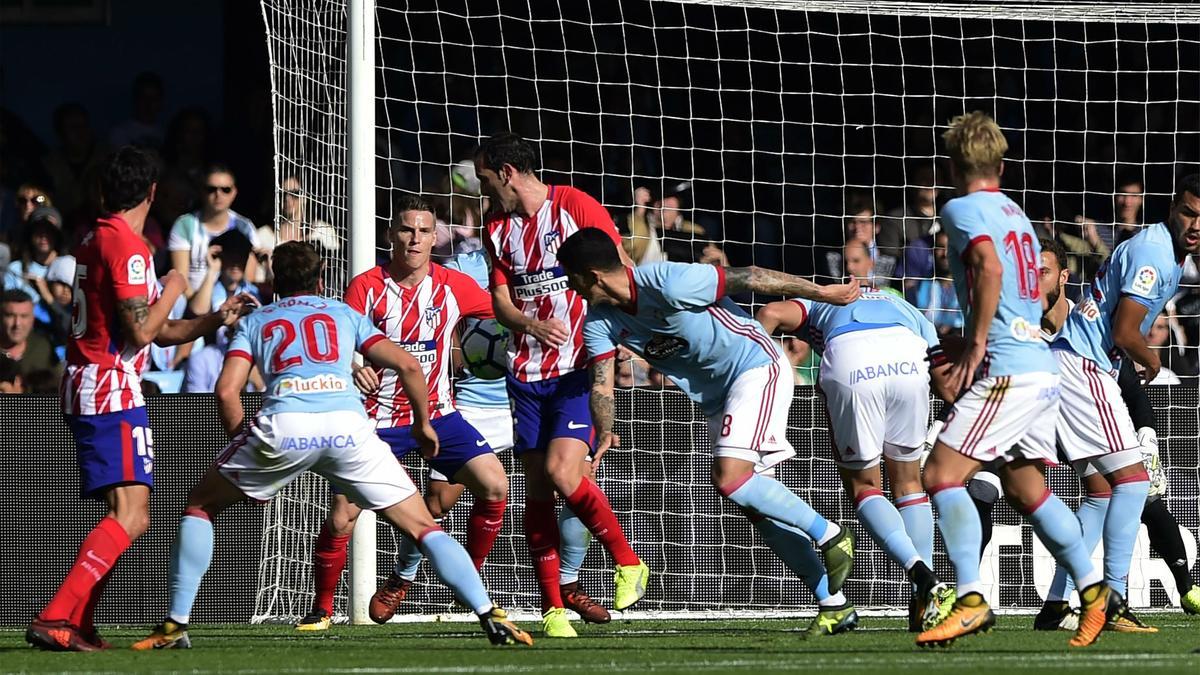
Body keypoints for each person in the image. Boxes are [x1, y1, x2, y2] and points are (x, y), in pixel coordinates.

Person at [131, 241, 532, 649]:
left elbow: (226, 391)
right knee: (424, 527)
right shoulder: (344, 313)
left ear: (274, 280)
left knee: (200, 506)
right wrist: (423, 424)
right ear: (321, 280)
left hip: (284, 426)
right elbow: (409, 365)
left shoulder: (258, 320)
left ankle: (175, 624)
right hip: (349, 428)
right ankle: (489, 614)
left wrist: (249, 451)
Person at [557, 227, 862, 635]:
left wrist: (824, 294)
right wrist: (605, 431)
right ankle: (834, 604)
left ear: (591, 275)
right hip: (718, 397)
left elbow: (750, 276)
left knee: (729, 478)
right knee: (760, 510)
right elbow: (601, 384)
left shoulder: (667, 281)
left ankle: (831, 534)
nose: (572, 290)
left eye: (572, 280)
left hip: (756, 367)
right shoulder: (600, 320)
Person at [25, 146, 255, 652]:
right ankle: (57, 616)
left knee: (131, 512)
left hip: (95, 379)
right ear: (152, 192)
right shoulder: (126, 246)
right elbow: (145, 327)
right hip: (108, 383)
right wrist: (175, 283)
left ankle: (77, 622)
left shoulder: (94, 238)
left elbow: (160, 331)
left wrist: (217, 318)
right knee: (133, 513)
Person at [915, 111, 1112, 649]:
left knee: (939, 475)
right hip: (1041, 366)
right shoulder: (1016, 214)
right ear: (1001, 163)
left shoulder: (959, 207)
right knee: (1026, 487)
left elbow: (990, 268)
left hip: (1007, 370)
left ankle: (972, 597)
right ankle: (1094, 591)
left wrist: (975, 346)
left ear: (954, 166)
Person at [294, 196, 514, 631]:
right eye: (406, 230)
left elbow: (509, 314)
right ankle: (321, 609)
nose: (414, 239)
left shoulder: (454, 285)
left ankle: (464, 580)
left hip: (438, 414)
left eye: (423, 231)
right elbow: (339, 342)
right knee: (343, 514)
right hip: (375, 421)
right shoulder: (367, 286)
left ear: (435, 238)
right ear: (391, 235)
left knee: (494, 487)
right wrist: (356, 368)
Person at [362, 247, 611, 627]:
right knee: (439, 501)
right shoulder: (466, 266)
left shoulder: (559, 264)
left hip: (545, 393)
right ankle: (403, 576)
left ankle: (568, 584)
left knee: (579, 486)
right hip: (481, 402)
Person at [475, 132, 647, 638]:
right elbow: (503, 305)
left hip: (577, 367)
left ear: (507, 173)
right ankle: (553, 608)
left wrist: (626, 341)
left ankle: (627, 560)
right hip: (525, 374)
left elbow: (621, 274)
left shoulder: (575, 205)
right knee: (537, 493)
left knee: (563, 471)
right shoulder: (495, 227)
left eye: (486, 180)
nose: (485, 192)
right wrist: (528, 325)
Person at [1045, 172, 1200, 633]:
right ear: (1172, 208)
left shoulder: (1165, 250)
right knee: (1135, 482)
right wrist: (1149, 358)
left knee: (1100, 493)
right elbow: (1124, 331)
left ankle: (1057, 601)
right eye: (1189, 212)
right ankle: (1111, 600)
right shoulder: (1155, 253)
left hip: (1072, 362)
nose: (1195, 224)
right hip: (1084, 365)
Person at [756, 290, 955, 633]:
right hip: (908, 358)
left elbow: (771, 312)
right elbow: (945, 381)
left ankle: (921, 573)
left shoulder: (820, 301)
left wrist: (755, 367)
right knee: (909, 481)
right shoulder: (906, 309)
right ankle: (925, 602)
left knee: (864, 485)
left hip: (854, 360)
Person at [168, 164, 261, 297]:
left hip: (235, 302)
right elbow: (181, 279)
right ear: (201, 191)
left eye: (226, 190)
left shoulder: (245, 227)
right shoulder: (184, 225)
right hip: (191, 304)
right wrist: (197, 307)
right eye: (211, 189)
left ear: (234, 192)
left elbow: (248, 279)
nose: (218, 194)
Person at [908, 230, 963, 335]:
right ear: (933, 251)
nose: (945, 254)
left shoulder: (969, 287)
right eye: (941, 247)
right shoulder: (918, 287)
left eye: (950, 247)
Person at [1, 289, 58, 377]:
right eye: (10, 315)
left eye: (24, 316)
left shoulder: (44, 349)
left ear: (32, 319)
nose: (17, 324)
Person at [109, 72, 166, 150]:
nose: (148, 103)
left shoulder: (166, 135)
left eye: (154, 99)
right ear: (135, 99)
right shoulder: (120, 133)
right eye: (143, 97)